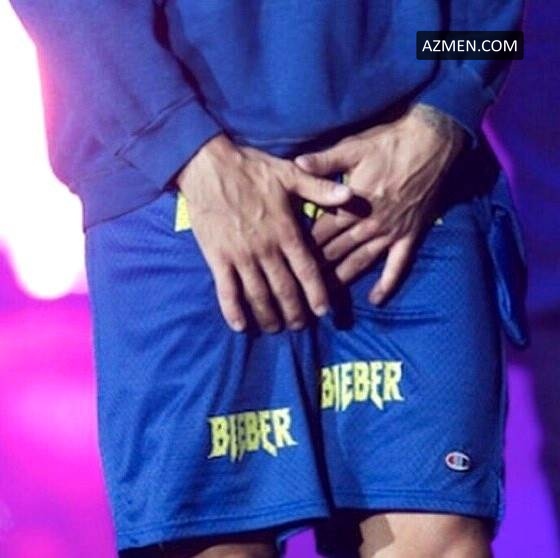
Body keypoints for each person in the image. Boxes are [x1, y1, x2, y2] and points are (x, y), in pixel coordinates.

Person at [9, 1, 529, 556]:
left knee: (440, 540)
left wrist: (448, 106)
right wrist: (185, 147)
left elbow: (508, 28)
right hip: (175, 186)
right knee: (221, 543)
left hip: (408, 174)